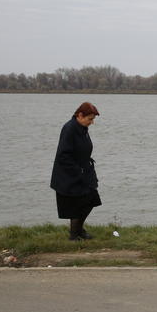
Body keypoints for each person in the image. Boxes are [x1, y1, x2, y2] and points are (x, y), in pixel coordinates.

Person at [50, 102, 102, 241]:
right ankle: (74, 235)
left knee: (91, 200)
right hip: (69, 175)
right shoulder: (69, 129)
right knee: (76, 205)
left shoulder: (82, 128)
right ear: (80, 115)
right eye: (90, 119)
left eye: (93, 119)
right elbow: (63, 155)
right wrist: (79, 171)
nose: (92, 122)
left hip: (84, 171)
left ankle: (79, 230)